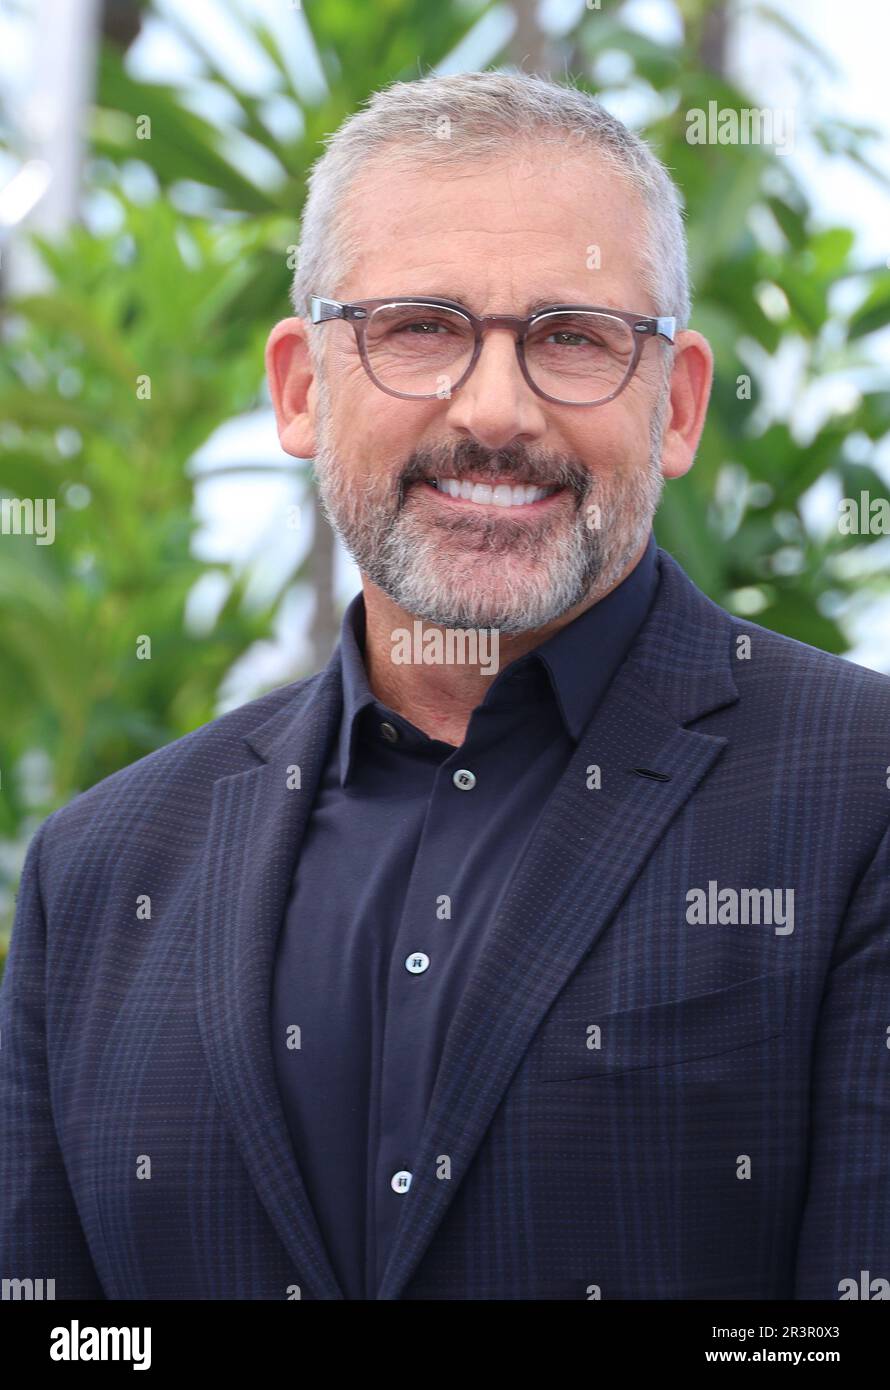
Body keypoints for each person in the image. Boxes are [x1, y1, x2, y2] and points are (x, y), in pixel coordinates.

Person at [2, 71, 889, 1302]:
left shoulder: (860, 795)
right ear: (301, 388)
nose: (493, 408)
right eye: (418, 326)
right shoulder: (97, 873)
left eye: (572, 337)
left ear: (676, 405)